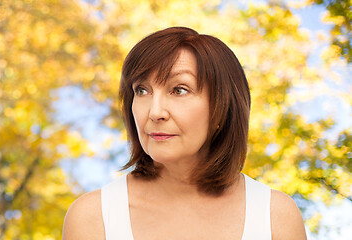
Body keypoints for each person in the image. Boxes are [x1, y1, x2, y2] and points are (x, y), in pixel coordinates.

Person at [62, 27, 307, 240]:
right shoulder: (92, 218)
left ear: (222, 106)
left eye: (179, 90)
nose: (155, 112)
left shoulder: (275, 216)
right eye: (142, 90)